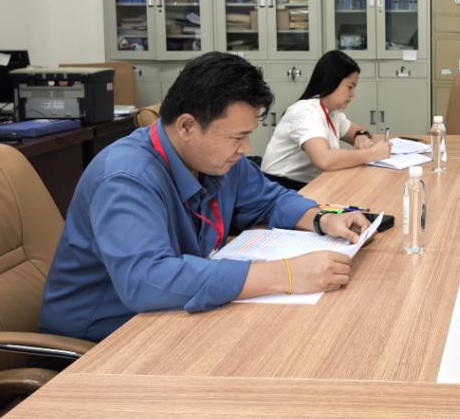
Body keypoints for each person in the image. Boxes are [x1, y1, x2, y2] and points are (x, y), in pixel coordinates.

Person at [39, 52, 369, 342]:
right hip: (101, 341)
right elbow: (147, 279)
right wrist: (286, 275)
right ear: (187, 126)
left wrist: (322, 219)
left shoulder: (215, 157)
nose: (245, 149)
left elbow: (269, 199)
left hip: (171, 319)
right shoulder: (126, 177)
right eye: (237, 137)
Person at [261, 50, 390, 189]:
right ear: (332, 81)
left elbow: (357, 130)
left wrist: (360, 136)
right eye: (350, 87)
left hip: (309, 184)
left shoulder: (331, 111)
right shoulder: (306, 111)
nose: (353, 94)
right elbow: (324, 159)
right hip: (281, 187)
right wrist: (371, 154)